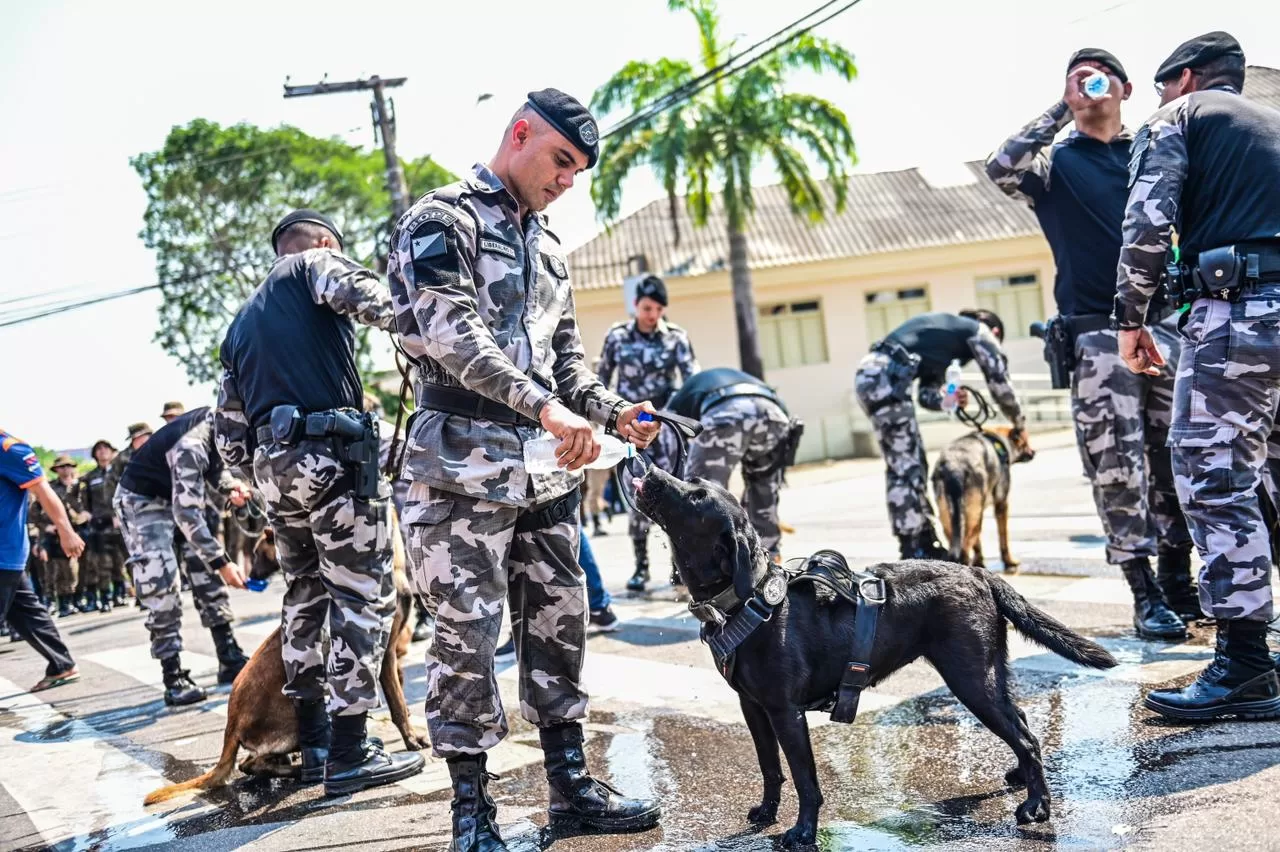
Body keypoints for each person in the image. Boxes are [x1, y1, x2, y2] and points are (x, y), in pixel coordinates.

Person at [388, 88, 663, 851]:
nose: (566, 181)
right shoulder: (442, 221)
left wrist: (611, 413)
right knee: (465, 640)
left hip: (545, 471)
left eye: (577, 172)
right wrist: (547, 409)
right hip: (459, 472)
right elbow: (454, 334)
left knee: (559, 628)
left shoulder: (546, 246)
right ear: (519, 135)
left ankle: (569, 788)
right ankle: (472, 816)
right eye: (560, 161)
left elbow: (568, 358)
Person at [215, 208, 425, 795]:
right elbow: (378, 301)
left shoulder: (238, 326)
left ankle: (315, 743)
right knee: (364, 598)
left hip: (274, 477)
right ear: (325, 242)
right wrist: (426, 334)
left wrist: (254, 479)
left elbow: (227, 430)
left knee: (304, 598)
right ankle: (352, 750)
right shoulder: (313, 264)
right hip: (332, 461)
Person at [984, 48, 1190, 641]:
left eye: (1098, 75)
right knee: (1116, 463)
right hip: (1098, 333)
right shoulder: (1054, 167)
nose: (1087, 83)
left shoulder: (1151, 152)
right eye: (1075, 77)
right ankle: (1143, 591)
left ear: (1126, 88)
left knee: (1176, 455)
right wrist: (1062, 108)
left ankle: (1178, 577)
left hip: (1168, 325)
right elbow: (1000, 167)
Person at [1114, 33, 1280, 721]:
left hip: (1239, 318)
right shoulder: (1269, 122)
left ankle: (1243, 665)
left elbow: (1148, 217)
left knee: (1213, 477)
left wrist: (1131, 315)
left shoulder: (1178, 117)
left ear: (1181, 79)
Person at [854, 309, 1027, 560]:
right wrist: (1018, 422)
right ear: (996, 332)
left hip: (876, 375)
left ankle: (919, 538)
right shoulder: (979, 332)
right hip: (883, 377)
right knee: (907, 464)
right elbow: (999, 381)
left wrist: (950, 399)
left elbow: (927, 396)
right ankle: (915, 545)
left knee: (909, 461)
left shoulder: (942, 345)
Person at [114, 406, 252, 706]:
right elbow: (186, 513)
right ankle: (173, 676)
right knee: (162, 581)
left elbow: (215, 469)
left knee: (206, 573)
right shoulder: (192, 443)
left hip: (175, 499)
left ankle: (228, 656)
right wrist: (223, 562)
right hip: (143, 503)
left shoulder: (216, 426)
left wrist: (231, 487)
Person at [597, 275, 699, 592]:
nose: (651, 314)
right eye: (646, 307)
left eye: (657, 308)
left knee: (672, 496)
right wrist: (606, 423)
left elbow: (691, 381)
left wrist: (685, 421)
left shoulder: (677, 338)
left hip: (664, 429)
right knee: (637, 494)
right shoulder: (616, 337)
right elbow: (600, 381)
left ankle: (678, 568)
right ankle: (641, 568)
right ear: (636, 306)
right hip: (629, 426)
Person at [665, 367, 802, 562]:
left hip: (726, 414)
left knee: (703, 495)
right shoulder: (720, 380)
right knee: (764, 492)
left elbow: (673, 455)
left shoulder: (676, 401)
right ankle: (769, 561)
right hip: (774, 414)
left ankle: (710, 565)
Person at [1, 430, 82, 691]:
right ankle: (62, 664)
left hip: (4, 552)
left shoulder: (9, 448)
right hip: (7, 557)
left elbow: (43, 491)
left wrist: (66, 531)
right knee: (26, 612)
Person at [29, 455, 86, 618]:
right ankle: (56, 603)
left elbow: (87, 508)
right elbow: (35, 513)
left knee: (74, 570)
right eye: (62, 467)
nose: (65, 469)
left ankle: (74, 600)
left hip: (78, 532)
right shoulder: (50, 488)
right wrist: (47, 527)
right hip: (51, 536)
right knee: (52, 572)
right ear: (56, 470)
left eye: (68, 466)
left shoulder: (80, 487)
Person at [76, 439, 129, 611]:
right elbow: (82, 501)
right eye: (98, 450)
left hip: (121, 522)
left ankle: (122, 594)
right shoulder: (90, 477)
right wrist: (87, 514)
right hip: (100, 525)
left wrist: (120, 514)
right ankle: (106, 598)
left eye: (106, 448)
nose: (102, 452)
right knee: (103, 564)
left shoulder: (120, 472)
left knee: (124, 560)